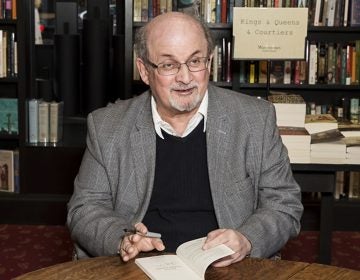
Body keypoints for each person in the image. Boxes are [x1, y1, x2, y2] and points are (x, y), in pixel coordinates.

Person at [67, 12, 303, 267]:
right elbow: (85, 210)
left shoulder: (255, 119)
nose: (185, 77)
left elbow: (284, 203)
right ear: (144, 71)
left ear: (209, 63)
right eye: (169, 65)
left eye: (195, 61)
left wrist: (246, 239)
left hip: (229, 267)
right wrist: (122, 239)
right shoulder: (107, 127)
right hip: (139, 267)